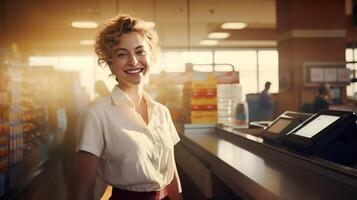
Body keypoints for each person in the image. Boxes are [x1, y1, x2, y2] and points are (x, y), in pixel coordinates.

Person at [75, 15, 182, 200]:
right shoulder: (96, 113)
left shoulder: (162, 112)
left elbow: (171, 175)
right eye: (122, 54)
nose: (133, 61)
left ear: (151, 56)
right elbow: (84, 188)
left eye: (140, 52)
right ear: (110, 63)